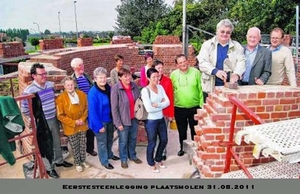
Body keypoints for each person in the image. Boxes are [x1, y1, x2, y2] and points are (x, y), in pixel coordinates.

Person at [21, 63, 73, 179]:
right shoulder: (29, 91)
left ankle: (59, 161)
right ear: (34, 76)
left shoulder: (50, 85)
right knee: (45, 145)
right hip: (41, 123)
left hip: (53, 118)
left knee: (56, 141)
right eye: (41, 74)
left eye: (45, 73)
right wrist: (36, 118)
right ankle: (49, 168)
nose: (44, 76)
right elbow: (24, 109)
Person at [197, 19, 246, 102]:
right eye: (222, 31)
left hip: (229, 88)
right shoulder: (207, 45)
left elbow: (241, 62)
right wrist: (216, 71)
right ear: (217, 31)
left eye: (228, 32)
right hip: (210, 86)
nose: (225, 34)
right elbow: (202, 62)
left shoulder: (237, 46)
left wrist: (236, 74)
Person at [170, 54, 203, 157]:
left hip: (195, 107)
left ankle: (195, 148)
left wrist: (201, 106)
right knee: (182, 130)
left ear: (187, 61)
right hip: (179, 108)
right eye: (180, 63)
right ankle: (182, 148)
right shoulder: (174, 75)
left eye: (184, 61)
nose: (183, 64)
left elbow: (201, 89)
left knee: (195, 130)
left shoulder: (196, 72)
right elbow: (171, 91)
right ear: (177, 65)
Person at [56, 76, 90, 172]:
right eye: (68, 85)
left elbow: (87, 108)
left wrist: (82, 119)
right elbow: (60, 115)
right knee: (74, 146)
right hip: (70, 126)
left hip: (82, 124)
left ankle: (83, 160)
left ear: (74, 84)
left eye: (71, 84)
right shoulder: (61, 98)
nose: (70, 87)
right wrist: (73, 122)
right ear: (64, 86)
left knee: (83, 144)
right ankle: (77, 163)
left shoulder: (82, 94)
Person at [88, 67, 120, 170]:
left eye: (104, 77)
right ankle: (104, 161)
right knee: (102, 143)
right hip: (100, 122)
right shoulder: (93, 93)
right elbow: (92, 112)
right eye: (100, 77)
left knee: (110, 139)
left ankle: (110, 154)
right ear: (95, 79)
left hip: (109, 119)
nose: (103, 79)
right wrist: (99, 126)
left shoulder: (108, 88)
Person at [111, 67, 143, 169]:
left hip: (134, 118)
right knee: (123, 140)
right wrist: (118, 123)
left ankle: (132, 155)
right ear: (120, 78)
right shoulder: (116, 89)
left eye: (129, 75)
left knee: (133, 138)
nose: (128, 78)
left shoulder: (134, 85)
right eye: (125, 76)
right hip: (123, 120)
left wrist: (140, 115)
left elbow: (139, 101)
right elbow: (114, 108)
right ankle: (124, 158)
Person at [142, 67, 170, 173]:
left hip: (161, 118)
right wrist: (162, 104)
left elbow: (168, 102)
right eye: (153, 77)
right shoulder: (145, 91)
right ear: (148, 78)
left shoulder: (161, 87)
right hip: (151, 121)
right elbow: (149, 109)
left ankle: (158, 158)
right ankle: (151, 162)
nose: (156, 79)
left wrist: (158, 104)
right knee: (152, 142)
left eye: (157, 76)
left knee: (164, 140)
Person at [70, 58, 97, 157]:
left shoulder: (86, 76)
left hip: (90, 107)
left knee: (90, 129)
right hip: (80, 109)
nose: (82, 67)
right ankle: (80, 151)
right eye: (79, 65)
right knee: (81, 130)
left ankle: (90, 149)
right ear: (74, 68)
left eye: (82, 64)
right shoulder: (72, 80)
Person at [153, 59, 174, 161]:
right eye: (158, 68)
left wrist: (171, 114)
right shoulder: (151, 81)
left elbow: (170, 97)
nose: (160, 70)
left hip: (164, 112)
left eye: (161, 68)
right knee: (154, 134)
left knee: (163, 134)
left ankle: (163, 152)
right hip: (154, 113)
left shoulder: (168, 81)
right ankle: (156, 151)